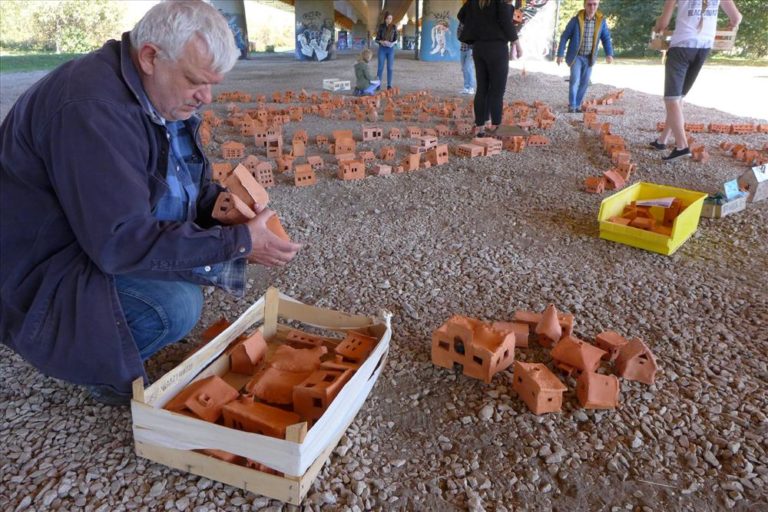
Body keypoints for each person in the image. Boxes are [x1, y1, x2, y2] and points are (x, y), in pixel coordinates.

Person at [0, 0, 302, 405]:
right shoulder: (93, 110)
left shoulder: (159, 93)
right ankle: (101, 370)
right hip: (37, 272)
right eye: (197, 80)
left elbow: (179, 180)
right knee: (176, 304)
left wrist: (222, 211)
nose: (207, 98)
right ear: (149, 56)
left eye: (214, 83)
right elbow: (119, 242)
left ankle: (109, 337)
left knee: (188, 269)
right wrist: (239, 243)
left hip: (84, 239)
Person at [651, 0, 742, 162]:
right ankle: (662, 140)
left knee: (671, 98)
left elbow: (664, 22)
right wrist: (731, 24)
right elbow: (736, 18)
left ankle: (682, 146)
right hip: (703, 47)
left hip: (682, 46)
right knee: (678, 97)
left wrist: (658, 26)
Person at [458, 0, 522, 137]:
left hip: (479, 48)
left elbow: (461, 16)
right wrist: (517, 44)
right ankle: (495, 126)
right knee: (497, 90)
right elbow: (506, 23)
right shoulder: (500, 3)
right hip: (497, 49)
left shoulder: (474, 3)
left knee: (482, 89)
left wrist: (479, 24)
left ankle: (480, 127)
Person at [556, 0, 614, 113]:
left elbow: (606, 38)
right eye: (589, 4)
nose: (592, 7)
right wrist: (560, 54)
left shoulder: (600, 21)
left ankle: (577, 105)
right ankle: (572, 106)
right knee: (575, 80)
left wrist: (609, 54)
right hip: (576, 57)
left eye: (595, 4)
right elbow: (564, 37)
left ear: (598, 5)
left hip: (589, 58)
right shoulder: (576, 20)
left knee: (585, 82)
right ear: (584, 5)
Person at [375, 11, 398, 90]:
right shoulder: (381, 26)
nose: (389, 20)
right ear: (385, 19)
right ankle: (378, 84)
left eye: (390, 18)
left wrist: (393, 43)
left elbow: (396, 39)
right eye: (388, 18)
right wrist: (382, 42)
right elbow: (377, 39)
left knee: (390, 68)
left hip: (390, 49)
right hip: (382, 49)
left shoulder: (394, 27)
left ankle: (389, 85)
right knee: (380, 67)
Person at [458, 23, 476, 95]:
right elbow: (458, 34)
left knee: (468, 68)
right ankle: (466, 87)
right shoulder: (461, 23)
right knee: (464, 68)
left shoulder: (473, 23)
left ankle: (471, 88)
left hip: (471, 49)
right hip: (463, 48)